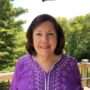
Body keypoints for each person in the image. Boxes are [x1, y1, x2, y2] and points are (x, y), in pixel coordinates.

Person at [10, 14, 83, 90]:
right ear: (31, 38)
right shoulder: (21, 63)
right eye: (38, 34)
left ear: (57, 37)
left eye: (50, 34)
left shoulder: (71, 64)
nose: (44, 40)